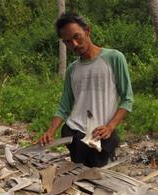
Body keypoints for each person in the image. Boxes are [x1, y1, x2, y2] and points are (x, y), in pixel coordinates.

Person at [39, 12, 133, 167]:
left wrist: (110, 126)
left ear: (87, 31)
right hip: (74, 131)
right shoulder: (72, 70)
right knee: (79, 176)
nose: (74, 44)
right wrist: (50, 131)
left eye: (77, 37)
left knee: (97, 173)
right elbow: (64, 106)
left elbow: (127, 98)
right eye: (68, 42)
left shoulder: (114, 58)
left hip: (100, 134)